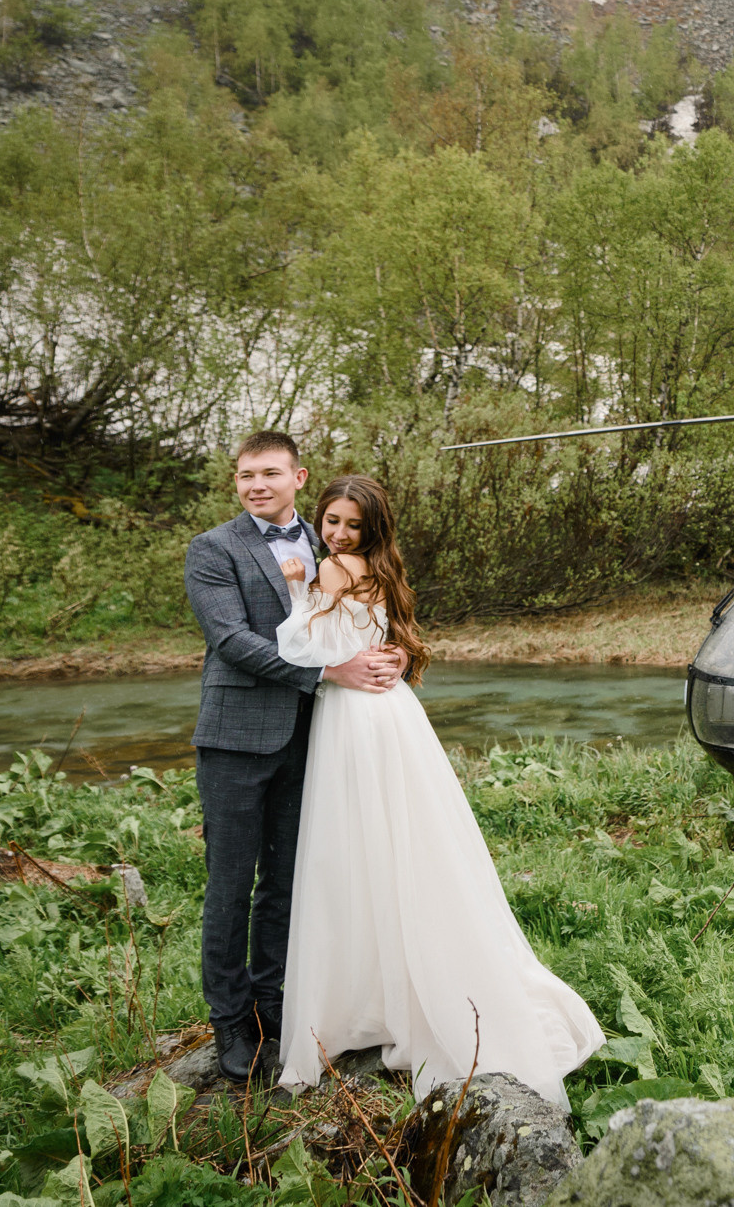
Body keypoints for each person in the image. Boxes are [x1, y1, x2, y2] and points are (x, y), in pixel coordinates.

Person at [272, 473, 605, 1103]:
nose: (339, 534)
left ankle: (369, 993)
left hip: (355, 717)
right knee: (405, 842)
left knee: (355, 847)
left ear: (368, 531)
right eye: (332, 521)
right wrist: (389, 654)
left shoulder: (333, 568)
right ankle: (396, 983)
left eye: (352, 526)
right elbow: (387, 639)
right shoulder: (380, 567)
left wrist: (297, 589)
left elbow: (300, 644)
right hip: (392, 711)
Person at [185, 432, 408, 1082]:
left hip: (312, 739)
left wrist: (392, 653)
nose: (257, 484)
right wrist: (330, 674)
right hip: (234, 738)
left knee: (285, 884)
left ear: (298, 476)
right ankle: (229, 1022)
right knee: (229, 885)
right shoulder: (213, 549)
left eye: (270, 473)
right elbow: (231, 641)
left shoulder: (331, 536)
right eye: (245, 475)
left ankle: (275, 1004)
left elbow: (369, 608)